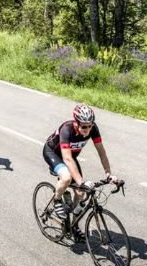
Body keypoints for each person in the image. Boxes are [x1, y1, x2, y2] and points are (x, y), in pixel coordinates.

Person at [43, 103, 118, 241]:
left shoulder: (93, 129)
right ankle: (57, 200)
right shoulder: (67, 129)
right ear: (76, 123)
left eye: (90, 125)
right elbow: (66, 158)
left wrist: (109, 174)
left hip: (71, 157)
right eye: (84, 126)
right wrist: (81, 182)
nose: (87, 129)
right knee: (66, 178)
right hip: (54, 153)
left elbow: (101, 151)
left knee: (81, 193)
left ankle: (73, 226)